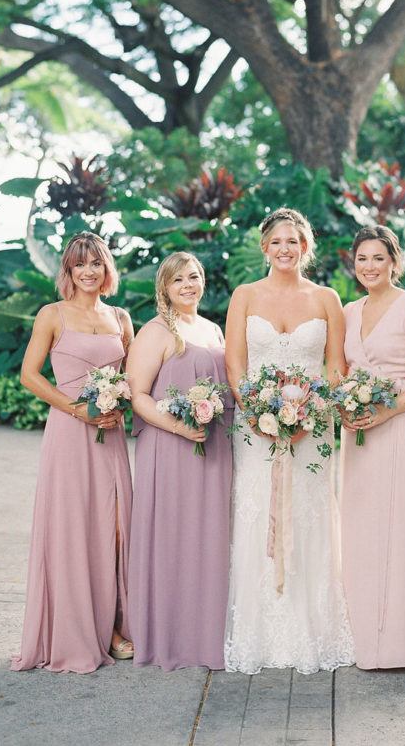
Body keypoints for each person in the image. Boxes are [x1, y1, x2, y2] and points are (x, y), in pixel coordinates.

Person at [224, 208, 354, 674]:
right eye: (277, 242)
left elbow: (336, 368)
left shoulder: (326, 299)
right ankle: (258, 633)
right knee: (257, 513)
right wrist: (260, 415)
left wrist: (309, 414)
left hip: (313, 429)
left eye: (294, 242)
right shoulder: (244, 296)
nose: (285, 249)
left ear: (306, 247)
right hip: (255, 429)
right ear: (264, 247)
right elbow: (236, 365)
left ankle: (312, 631)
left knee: (309, 512)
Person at [12, 232, 134, 673]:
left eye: (96, 263)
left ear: (106, 270)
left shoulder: (120, 317)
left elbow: (134, 377)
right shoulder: (52, 315)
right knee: (73, 527)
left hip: (112, 436)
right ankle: (77, 631)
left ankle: (116, 626)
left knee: (115, 526)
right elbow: (29, 375)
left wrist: (119, 404)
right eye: (80, 264)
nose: (88, 271)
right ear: (68, 270)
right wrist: (78, 409)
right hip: (69, 433)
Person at [341, 226, 405, 669]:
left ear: (394, 262)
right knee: (360, 527)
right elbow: (341, 369)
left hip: (399, 425)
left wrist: (388, 411)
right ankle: (362, 637)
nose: (369, 266)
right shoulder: (347, 311)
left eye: (378, 258)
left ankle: (404, 642)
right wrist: (345, 403)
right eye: (362, 258)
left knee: (400, 526)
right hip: (358, 431)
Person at [127, 252, 233, 670]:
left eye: (194, 277)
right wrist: (179, 428)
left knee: (209, 537)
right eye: (178, 281)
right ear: (164, 288)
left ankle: (206, 632)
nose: (188, 286)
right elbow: (138, 396)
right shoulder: (156, 331)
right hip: (171, 449)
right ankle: (168, 636)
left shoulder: (212, 329)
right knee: (174, 537)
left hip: (215, 446)